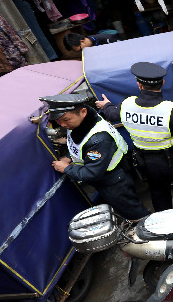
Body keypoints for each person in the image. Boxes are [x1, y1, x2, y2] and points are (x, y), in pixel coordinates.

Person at [96, 62, 173, 212]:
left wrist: (105, 106)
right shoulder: (171, 110)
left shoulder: (127, 104)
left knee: (159, 195)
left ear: (139, 85)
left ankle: (164, 227)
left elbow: (112, 114)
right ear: (162, 83)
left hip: (147, 164)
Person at [40, 93, 150, 221]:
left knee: (133, 211)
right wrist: (69, 157)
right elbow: (78, 143)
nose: (62, 125)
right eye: (58, 121)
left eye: (66, 120)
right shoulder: (82, 123)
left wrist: (66, 168)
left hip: (114, 180)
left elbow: (91, 173)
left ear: (83, 112)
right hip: (106, 174)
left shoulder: (98, 139)